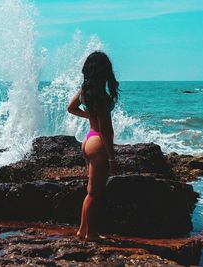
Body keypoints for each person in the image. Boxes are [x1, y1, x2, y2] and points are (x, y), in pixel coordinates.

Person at [67, 51, 119, 241]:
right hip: (98, 142)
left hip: (88, 138)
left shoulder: (85, 91)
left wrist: (88, 116)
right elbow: (106, 129)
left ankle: (83, 230)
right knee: (94, 194)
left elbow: (71, 108)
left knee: (91, 192)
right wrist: (112, 157)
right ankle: (92, 234)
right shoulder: (102, 97)